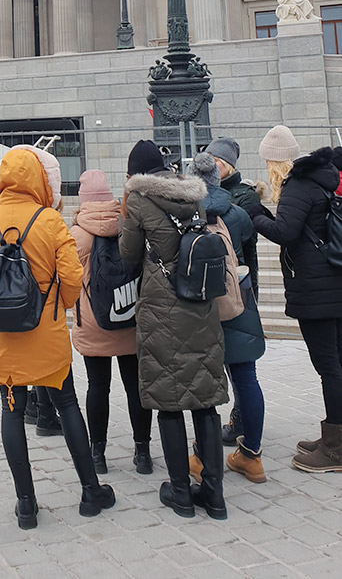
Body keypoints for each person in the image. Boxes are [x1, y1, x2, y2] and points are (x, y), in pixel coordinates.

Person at [0, 145, 115, 528]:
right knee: (67, 404)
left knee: (10, 411)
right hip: (46, 335)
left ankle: (27, 504)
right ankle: (89, 491)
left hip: (4, 338)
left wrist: (4, 303)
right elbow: (72, 277)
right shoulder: (50, 221)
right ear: (36, 179)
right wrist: (53, 308)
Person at [119, 139, 228, 520]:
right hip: (199, 303)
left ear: (137, 173)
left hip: (163, 308)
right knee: (205, 399)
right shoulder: (193, 196)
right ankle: (214, 495)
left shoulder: (137, 200)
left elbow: (129, 254)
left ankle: (180, 492)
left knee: (168, 399)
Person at [250, 127, 342, 474]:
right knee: (338, 364)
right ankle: (335, 434)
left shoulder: (297, 185)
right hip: (334, 279)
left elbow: (285, 233)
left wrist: (255, 215)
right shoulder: (323, 179)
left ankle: (335, 449)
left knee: (329, 367)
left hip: (316, 290)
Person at [189, 153, 267, 483]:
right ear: (219, 182)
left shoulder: (185, 215)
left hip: (197, 307)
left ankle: (201, 457)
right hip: (236, 301)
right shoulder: (237, 215)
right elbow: (248, 252)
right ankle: (251, 454)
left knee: (201, 382)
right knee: (246, 377)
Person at [69, 169, 153, 475]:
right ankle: (142, 453)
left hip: (94, 322)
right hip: (130, 317)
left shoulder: (76, 234)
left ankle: (97, 455)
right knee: (135, 387)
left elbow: (67, 279)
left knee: (97, 387)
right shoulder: (127, 223)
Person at [205, 136, 263, 443]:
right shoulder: (234, 206)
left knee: (242, 370)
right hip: (232, 288)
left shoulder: (244, 198)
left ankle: (242, 423)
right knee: (235, 369)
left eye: (217, 160)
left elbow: (249, 251)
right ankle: (245, 433)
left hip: (238, 287)